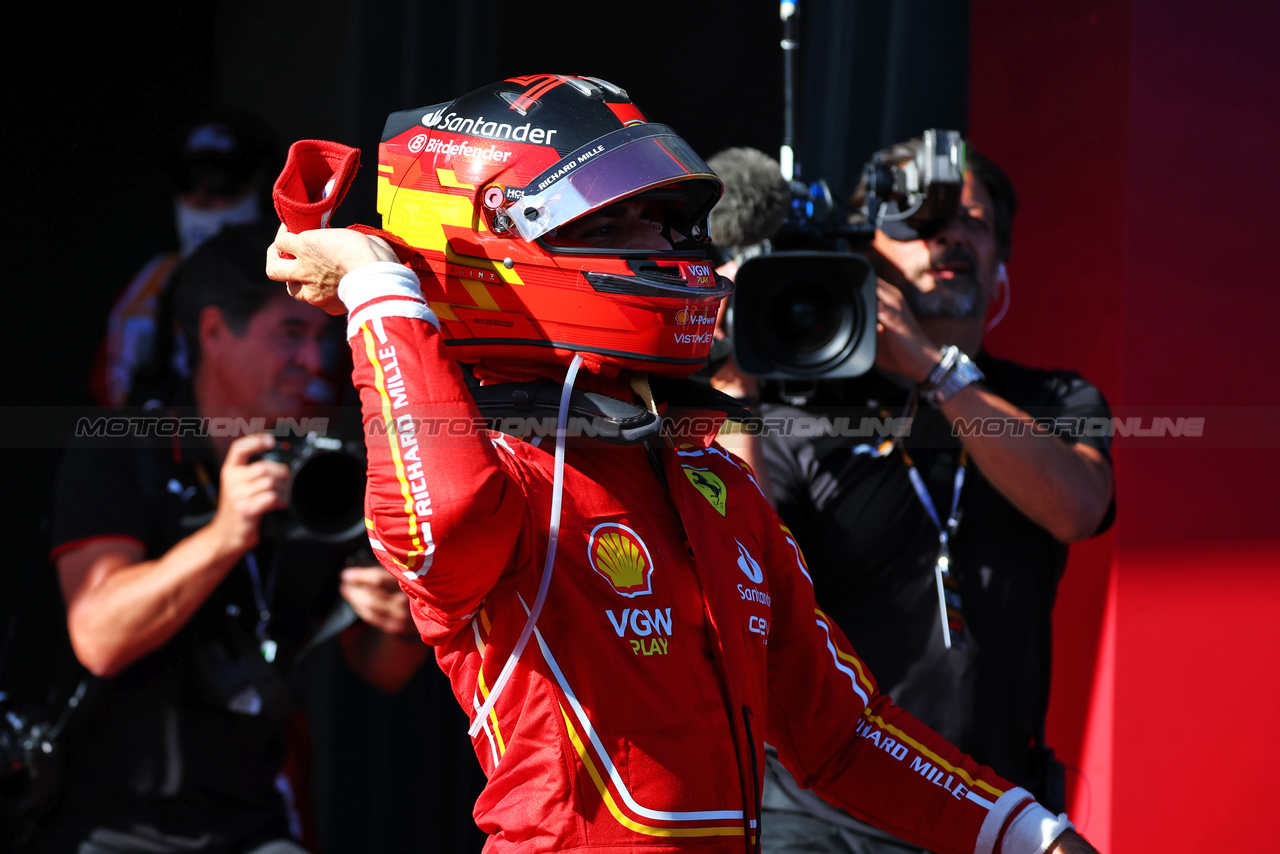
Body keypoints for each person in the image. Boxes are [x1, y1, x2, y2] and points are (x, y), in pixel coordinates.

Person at [264, 74, 1100, 854]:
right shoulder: (500, 472)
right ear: (482, 239)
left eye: (666, 218)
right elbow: (440, 525)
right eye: (610, 221)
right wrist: (381, 289)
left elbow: (841, 736)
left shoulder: (716, 480)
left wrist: (1030, 836)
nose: (661, 245)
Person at [719, 139, 1116, 854]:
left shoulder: (1051, 398)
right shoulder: (798, 403)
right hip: (818, 819)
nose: (948, 238)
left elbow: (1078, 506)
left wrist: (934, 372)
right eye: (917, 222)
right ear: (863, 249)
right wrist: (731, 392)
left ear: (1002, 258)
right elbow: (743, 584)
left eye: (972, 220)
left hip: (994, 809)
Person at [38, 222, 428, 853]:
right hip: (106, 824)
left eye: (321, 338)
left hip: (253, 825)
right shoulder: (123, 449)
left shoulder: (325, 464)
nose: (315, 361)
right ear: (216, 332)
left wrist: (405, 613)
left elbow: (382, 669)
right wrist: (225, 533)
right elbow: (98, 637)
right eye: (291, 334)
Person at [91, 105, 279, 408]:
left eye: (221, 184)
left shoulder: (298, 278)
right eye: (188, 182)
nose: (202, 198)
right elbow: (110, 385)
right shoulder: (158, 278)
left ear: (263, 186)